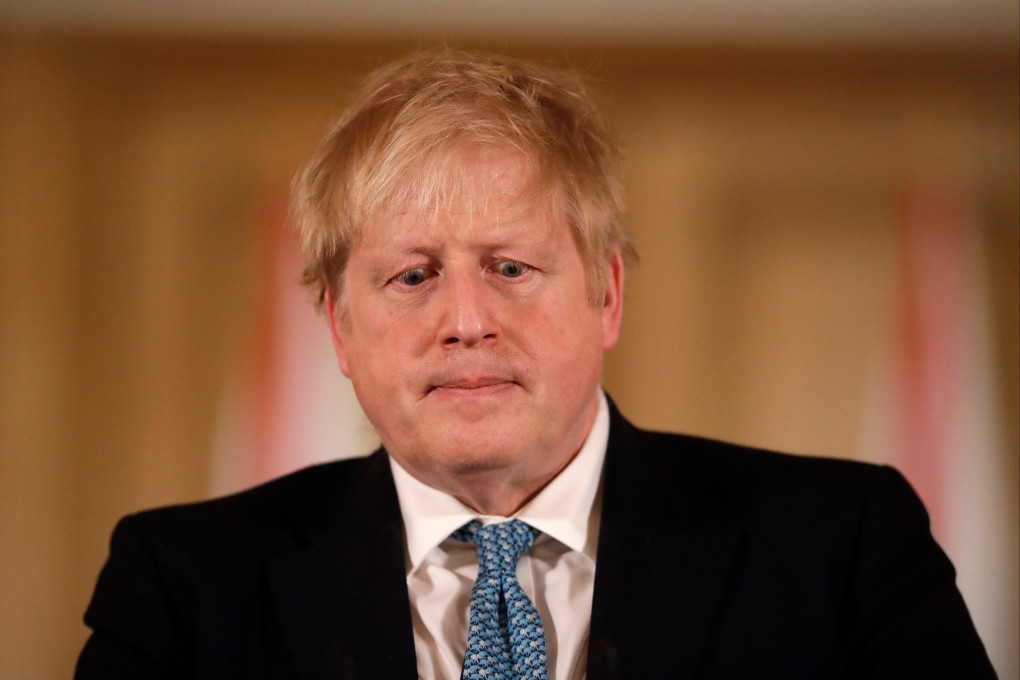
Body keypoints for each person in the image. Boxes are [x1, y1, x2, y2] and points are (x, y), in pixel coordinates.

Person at [76, 49, 995, 679]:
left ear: (607, 295)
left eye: (511, 268)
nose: (466, 321)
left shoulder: (844, 548)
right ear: (339, 330)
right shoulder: (183, 587)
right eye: (412, 275)